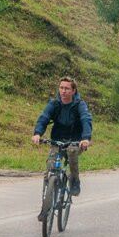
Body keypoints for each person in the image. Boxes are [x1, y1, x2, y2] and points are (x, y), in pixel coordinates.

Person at [32, 76, 92, 217]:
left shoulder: (79, 105)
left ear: (73, 90)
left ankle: (75, 180)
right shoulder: (54, 104)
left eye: (66, 88)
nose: (63, 91)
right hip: (57, 140)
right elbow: (44, 117)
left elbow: (85, 119)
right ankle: (45, 207)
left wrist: (85, 138)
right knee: (50, 171)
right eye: (61, 88)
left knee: (71, 152)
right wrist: (37, 133)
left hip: (75, 141)